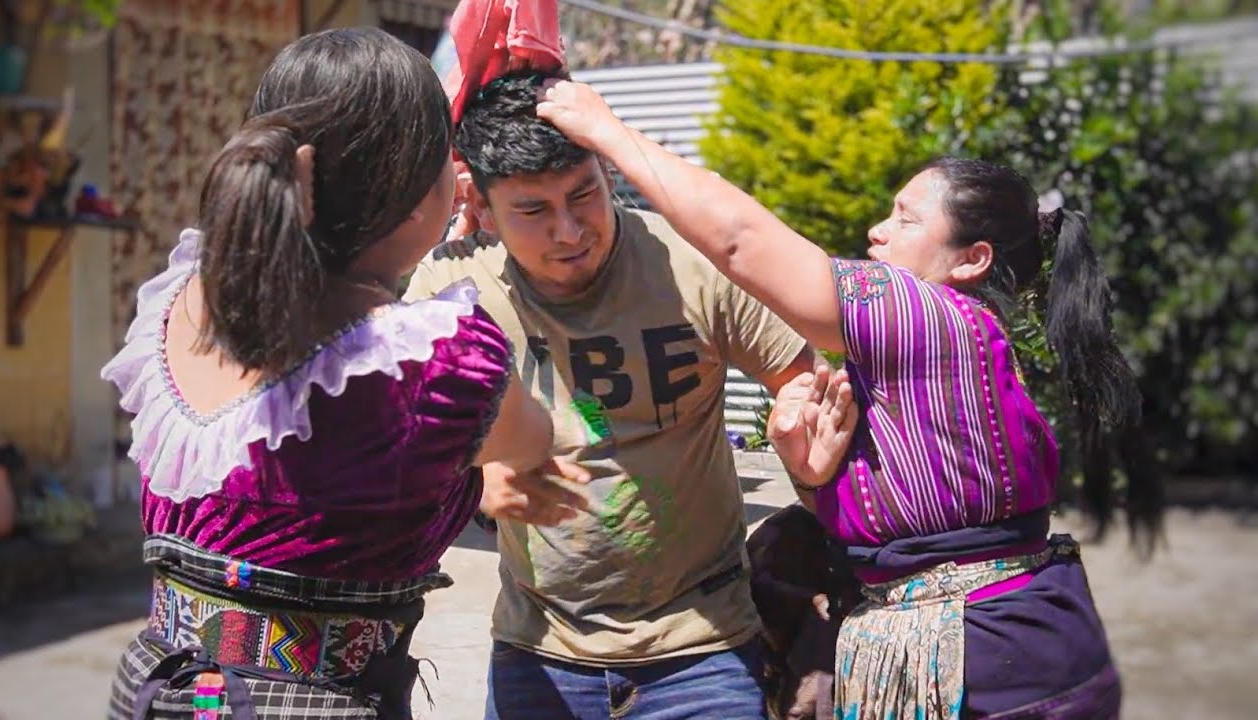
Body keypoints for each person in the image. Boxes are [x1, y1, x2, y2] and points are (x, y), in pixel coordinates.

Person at [536, 79, 1166, 719]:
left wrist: (606, 132)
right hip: (1023, 664)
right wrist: (807, 471)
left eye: (906, 218)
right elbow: (898, 534)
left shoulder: (928, 314)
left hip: (995, 677)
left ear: (971, 259)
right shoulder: (951, 354)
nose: (877, 231)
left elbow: (739, 242)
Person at [101, 28, 584, 720]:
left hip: (167, 691)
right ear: (422, 195)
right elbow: (533, 438)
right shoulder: (436, 359)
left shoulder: (183, 300)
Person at [402, 70, 858, 719]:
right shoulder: (454, 288)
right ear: (482, 202)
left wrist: (800, 431)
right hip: (540, 652)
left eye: (585, 194)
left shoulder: (688, 263)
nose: (569, 230)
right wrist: (474, 474)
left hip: (706, 647)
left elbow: (801, 379)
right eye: (533, 211)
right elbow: (402, 439)